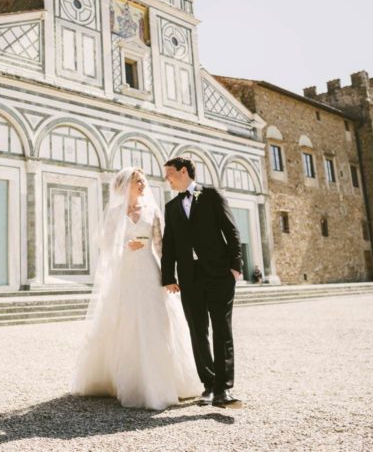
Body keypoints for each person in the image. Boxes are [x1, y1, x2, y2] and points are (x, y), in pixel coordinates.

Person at [71, 167, 202, 410]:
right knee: (125, 323)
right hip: (124, 274)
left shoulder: (152, 211)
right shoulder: (114, 214)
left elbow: (162, 246)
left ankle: (160, 382)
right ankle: (126, 381)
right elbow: (106, 247)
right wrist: (124, 246)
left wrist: (169, 276)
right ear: (125, 186)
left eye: (143, 181)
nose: (143, 185)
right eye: (138, 181)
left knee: (155, 322)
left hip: (149, 272)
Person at [161, 156, 244, 408]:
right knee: (198, 332)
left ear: (183, 171)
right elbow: (169, 244)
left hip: (219, 274)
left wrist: (235, 266)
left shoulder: (210, 195)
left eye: (169, 173)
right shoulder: (171, 207)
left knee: (222, 330)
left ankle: (223, 389)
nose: (166, 179)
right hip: (189, 277)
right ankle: (208, 385)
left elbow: (231, 230)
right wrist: (168, 277)